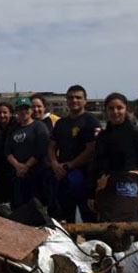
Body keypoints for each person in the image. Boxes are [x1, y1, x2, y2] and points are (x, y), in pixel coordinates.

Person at [88, 93, 138, 236]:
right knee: (107, 230)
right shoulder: (103, 136)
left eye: (119, 108)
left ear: (126, 109)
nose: (115, 112)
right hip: (106, 190)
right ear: (106, 111)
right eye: (111, 108)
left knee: (129, 229)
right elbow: (96, 166)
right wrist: (90, 193)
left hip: (130, 188)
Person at [48, 85, 101, 223]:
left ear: (85, 101)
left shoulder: (91, 121)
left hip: (84, 175)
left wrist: (70, 165)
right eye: (71, 98)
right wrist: (54, 163)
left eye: (78, 97)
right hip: (63, 174)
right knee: (65, 217)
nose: (74, 100)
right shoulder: (61, 123)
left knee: (89, 217)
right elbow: (52, 146)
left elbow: (92, 149)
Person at [4, 97, 51, 209]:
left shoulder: (39, 126)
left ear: (30, 110)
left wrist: (26, 166)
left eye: (26, 108)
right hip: (18, 175)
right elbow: (7, 151)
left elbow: (41, 149)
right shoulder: (13, 129)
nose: (23, 112)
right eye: (20, 109)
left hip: (37, 174)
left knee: (37, 208)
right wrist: (17, 166)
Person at [0, 102, 17, 204]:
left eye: (5, 112)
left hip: (13, 169)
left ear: (11, 114)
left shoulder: (17, 128)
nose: (2, 115)